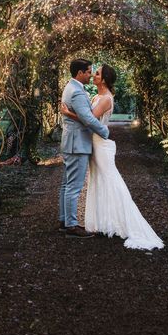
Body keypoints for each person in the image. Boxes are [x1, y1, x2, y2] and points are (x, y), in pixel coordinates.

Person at [61, 64, 164, 250]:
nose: (93, 75)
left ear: (105, 79)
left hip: (100, 144)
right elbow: (87, 117)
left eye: (97, 73)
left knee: (109, 180)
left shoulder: (106, 98)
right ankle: (102, 221)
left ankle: (122, 219)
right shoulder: (95, 95)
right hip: (93, 142)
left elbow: (89, 119)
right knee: (97, 181)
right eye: (92, 72)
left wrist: (68, 113)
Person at [58, 59, 110, 238]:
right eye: (88, 72)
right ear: (80, 73)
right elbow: (87, 119)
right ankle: (71, 226)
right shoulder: (78, 92)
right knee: (74, 186)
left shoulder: (70, 87)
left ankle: (64, 221)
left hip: (70, 142)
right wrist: (104, 131)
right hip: (77, 144)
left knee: (66, 185)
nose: (90, 74)